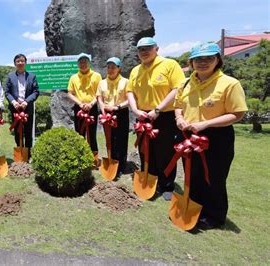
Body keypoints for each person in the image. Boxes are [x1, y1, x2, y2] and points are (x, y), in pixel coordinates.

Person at [174, 43, 247, 229]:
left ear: (218, 60)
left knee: (213, 177)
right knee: (193, 175)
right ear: (191, 62)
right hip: (189, 134)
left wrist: (206, 124)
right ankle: (194, 210)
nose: (203, 62)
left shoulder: (229, 84)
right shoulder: (185, 83)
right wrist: (179, 118)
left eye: (209, 58)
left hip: (216, 136)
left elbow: (237, 114)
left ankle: (214, 216)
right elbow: (178, 106)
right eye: (198, 59)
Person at [126, 37, 185, 200]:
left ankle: (166, 185)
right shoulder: (135, 70)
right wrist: (136, 110)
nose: (144, 52)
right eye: (140, 49)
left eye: (148, 48)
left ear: (156, 49)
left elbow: (178, 89)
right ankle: (150, 180)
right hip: (143, 116)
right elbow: (130, 91)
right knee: (145, 151)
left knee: (165, 152)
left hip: (164, 116)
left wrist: (158, 109)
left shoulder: (169, 65)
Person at [67, 53, 102, 166]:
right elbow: (70, 93)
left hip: (92, 107)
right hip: (79, 107)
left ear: (89, 63)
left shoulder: (96, 76)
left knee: (92, 133)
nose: (83, 64)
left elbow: (99, 93)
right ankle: (80, 157)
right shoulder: (73, 77)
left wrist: (91, 104)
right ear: (77, 64)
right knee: (79, 133)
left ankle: (94, 159)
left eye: (85, 62)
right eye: (80, 62)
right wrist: (80, 104)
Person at [96, 57, 129, 177]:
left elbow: (130, 100)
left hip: (120, 113)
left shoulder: (126, 82)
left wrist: (118, 107)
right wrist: (103, 109)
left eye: (113, 67)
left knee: (121, 139)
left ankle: (121, 165)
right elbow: (99, 97)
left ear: (119, 69)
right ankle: (111, 160)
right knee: (110, 139)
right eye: (109, 67)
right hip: (106, 113)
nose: (110, 70)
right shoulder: (102, 82)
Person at [5, 53, 39, 159]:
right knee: (17, 132)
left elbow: (36, 92)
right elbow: (7, 92)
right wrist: (14, 102)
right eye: (18, 61)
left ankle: (28, 155)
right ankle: (19, 153)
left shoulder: (32, 76)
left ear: (25, 63)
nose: (20, 63)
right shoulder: (10, 76)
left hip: (27, 108)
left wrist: (26, 102)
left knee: (28, 132)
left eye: (22, 61)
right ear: (15, 63)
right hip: (15, 109)